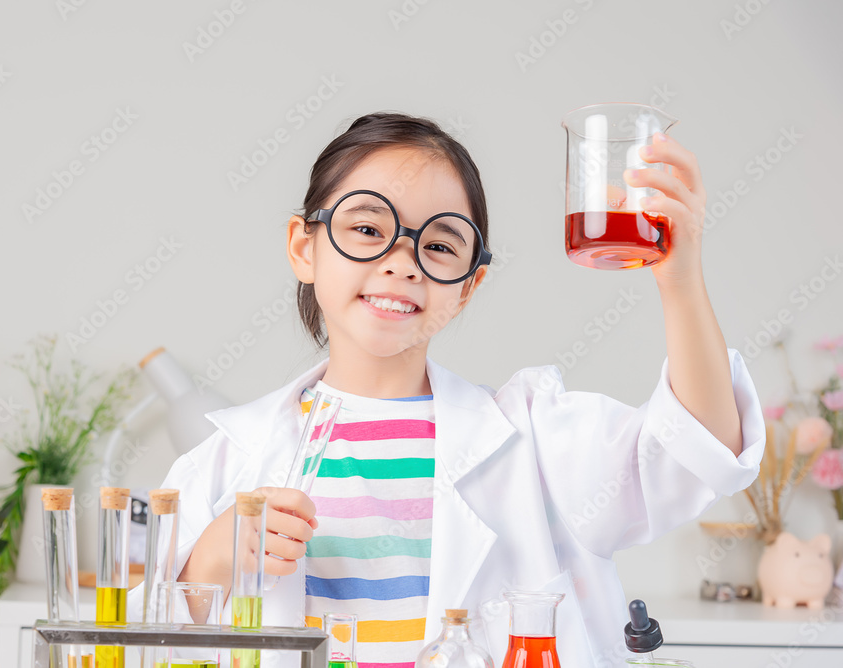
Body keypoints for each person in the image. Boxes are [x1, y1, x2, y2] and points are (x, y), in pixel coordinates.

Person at [130, 112, 764, 668]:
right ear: (304, 247)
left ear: (468, 285)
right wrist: (209, 562)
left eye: (439, 243)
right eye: (367, 229)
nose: (403, 261)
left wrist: (680, 279)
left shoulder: (534, 438)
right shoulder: (223, 462)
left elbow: (698, 448)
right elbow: (133, 638)